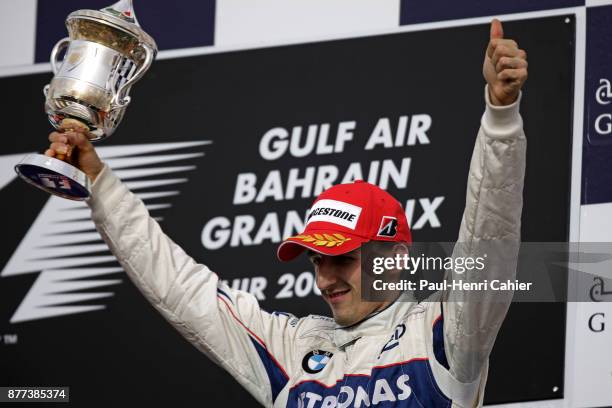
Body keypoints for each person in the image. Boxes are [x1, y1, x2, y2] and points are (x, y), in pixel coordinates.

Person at [45, 18, 528, 408]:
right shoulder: (291, 347)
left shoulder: (443, 334)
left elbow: (490, 239)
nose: (325, 280)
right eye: (317, 260)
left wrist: (500, 117)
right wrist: (99, 183)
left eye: (342, 258)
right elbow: (179, 286)